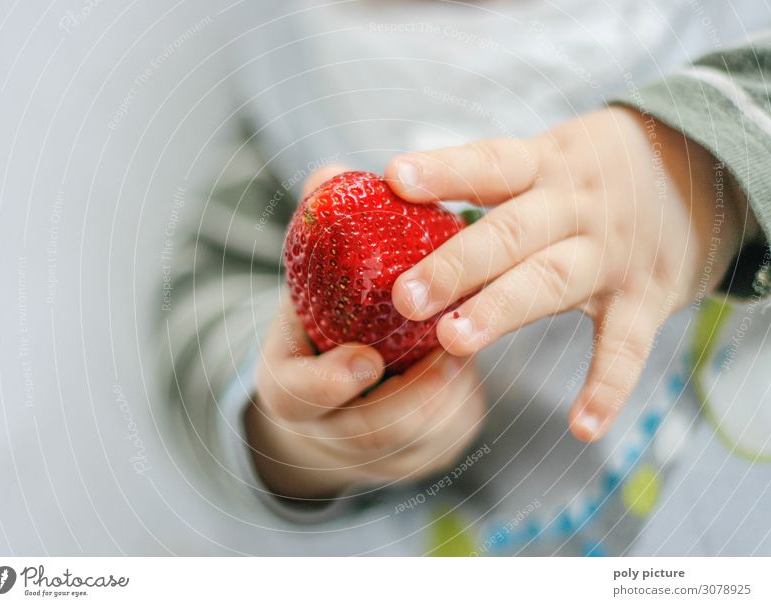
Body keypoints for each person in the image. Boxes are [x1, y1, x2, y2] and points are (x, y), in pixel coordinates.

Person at [159, 2, 771, 555]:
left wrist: (705, 162)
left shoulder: (716, 22)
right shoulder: (297, 72)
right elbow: (203, 302)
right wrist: (298, 436)